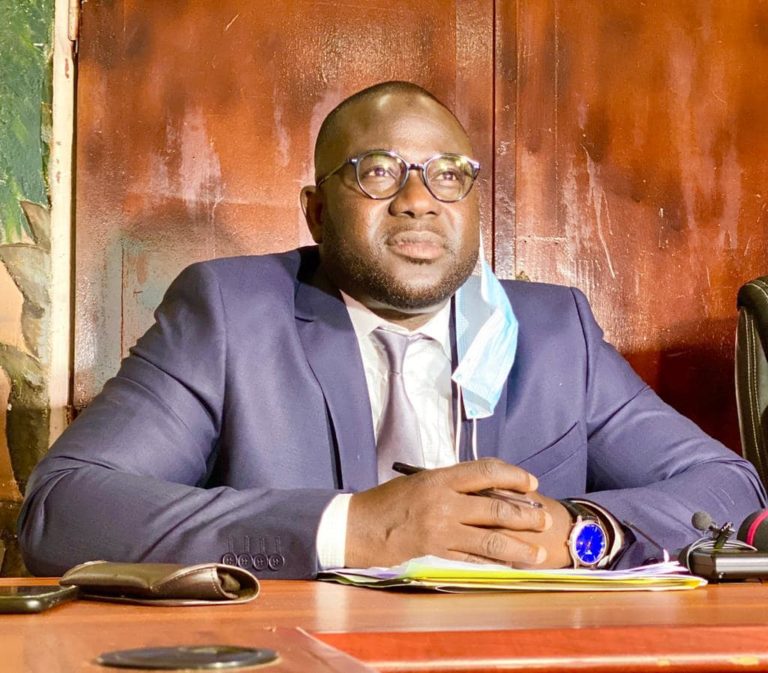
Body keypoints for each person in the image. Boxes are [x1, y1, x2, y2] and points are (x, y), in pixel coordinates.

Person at [18, 82, 766, 578]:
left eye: (449, 174)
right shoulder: (230, 314)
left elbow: (731, 489)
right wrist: (356, 527)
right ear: (316, 212)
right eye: (377, 171)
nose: (418, 199)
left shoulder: (553, 332)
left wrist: (579, 532)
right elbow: (64, 510)